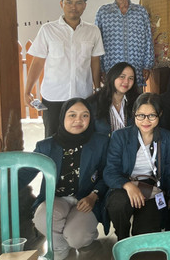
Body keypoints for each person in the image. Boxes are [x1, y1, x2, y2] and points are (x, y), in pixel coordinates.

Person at [19, 98, 109, 260]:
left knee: (77, 238)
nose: (78, 120)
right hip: (56, 200)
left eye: (84, 115)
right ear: (62, 117)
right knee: (42, 217)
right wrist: (1, 185)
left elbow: (107, 174)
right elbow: (25, 173)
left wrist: (93, 195)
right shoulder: (46, 146)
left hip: (86, 201)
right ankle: (59, 247)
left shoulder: (101, 142)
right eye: (72, 115)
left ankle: (85, 235)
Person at [104, 93, 170, 240]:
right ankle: (122, 239)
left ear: (159, 114)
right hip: (125, 183)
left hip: (152, 187)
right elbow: (110, 171)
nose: (146, 121)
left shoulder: (166, 137)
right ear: (134, 114)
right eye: (141, 115)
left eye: (151, 116)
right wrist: (128, 185)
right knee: (118, 204)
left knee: (145, 235)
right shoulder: (120, 136)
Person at [24, 0, 104, 137]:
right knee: (52, 138)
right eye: (69, 2)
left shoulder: (93, 31)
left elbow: (95, 61)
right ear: (61, 4)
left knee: (82, 137)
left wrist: (97, 88)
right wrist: (27, 91)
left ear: (84, 5)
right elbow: (37, 63)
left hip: (82, 95)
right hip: (53, 97)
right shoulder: (48, 30)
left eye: (78, 2)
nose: (73, 6)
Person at [95, 0, 154, 90]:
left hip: (136, 68)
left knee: (135, 104)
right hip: (111, 69)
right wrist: (101, 69)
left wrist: (147, 65)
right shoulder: (103, 12)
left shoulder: (140, 12)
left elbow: (148, 39)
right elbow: (97, 43)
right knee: (112, 104)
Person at [88, 62, 140, 135]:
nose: (126, 81)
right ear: (112, 77)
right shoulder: (93, 103)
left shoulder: (137, 102)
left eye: (131, 78)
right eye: (122, 76)